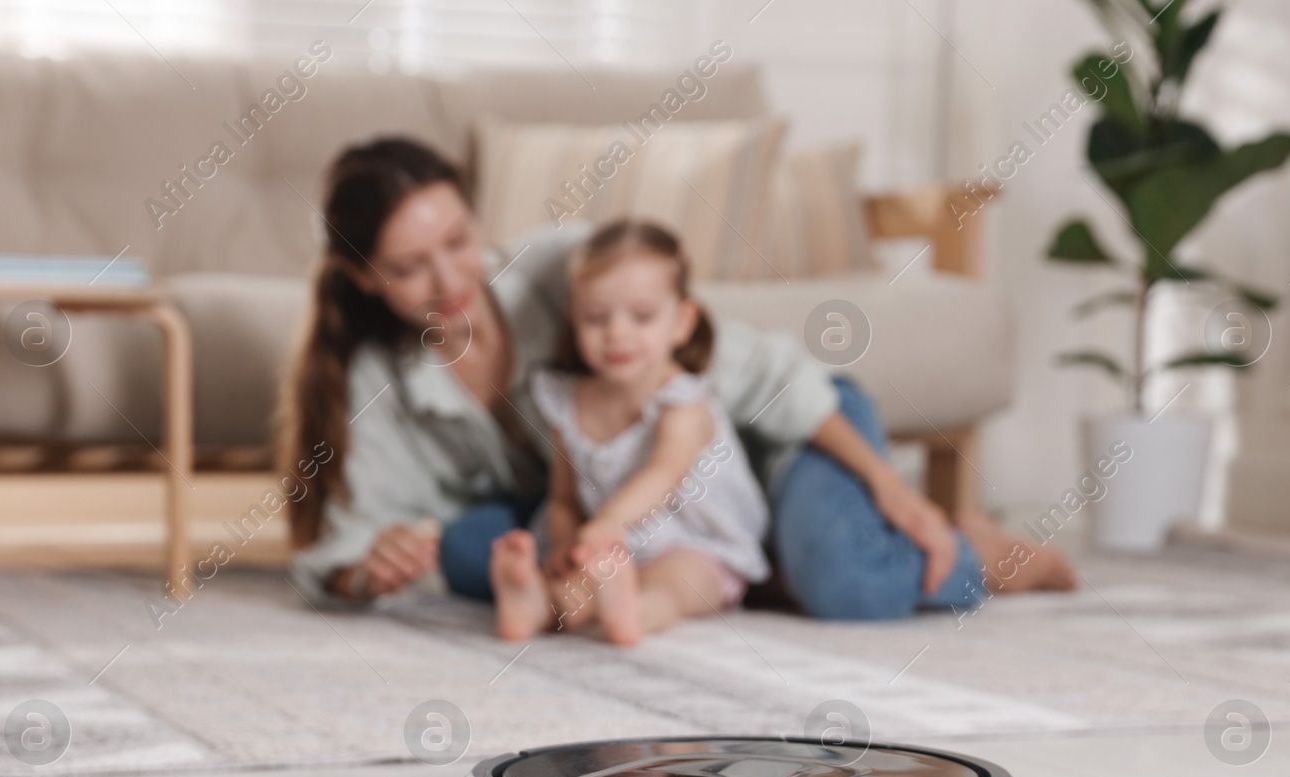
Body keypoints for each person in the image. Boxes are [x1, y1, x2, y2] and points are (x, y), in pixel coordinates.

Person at [284, 137, 1073, 619]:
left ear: (474, 217)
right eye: (408, 266)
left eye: (458, 240)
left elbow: (765, 376)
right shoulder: (380, 377)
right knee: (471, 547)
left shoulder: (569, 273)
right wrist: (368, 568)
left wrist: (895, 488)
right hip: (647, 518)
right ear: (363, 278)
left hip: (777, 442)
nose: (450, 279)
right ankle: (760, 568)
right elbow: (352, 536)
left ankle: (976, 547)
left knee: (844, 587)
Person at [492, 220, 769, 644]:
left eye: (642, 316)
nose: (617, 333)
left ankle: (633, 613)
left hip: (697, 545)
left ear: (681, 322)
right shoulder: (568, 401)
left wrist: (607, 524)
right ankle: (535, 607)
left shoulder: (683, 400)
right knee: (574, 589)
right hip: (609, 550)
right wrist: (565, 544)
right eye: (597, 317)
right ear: (574, 320)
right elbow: (563, 497)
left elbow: (664, 473)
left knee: (676, 584)